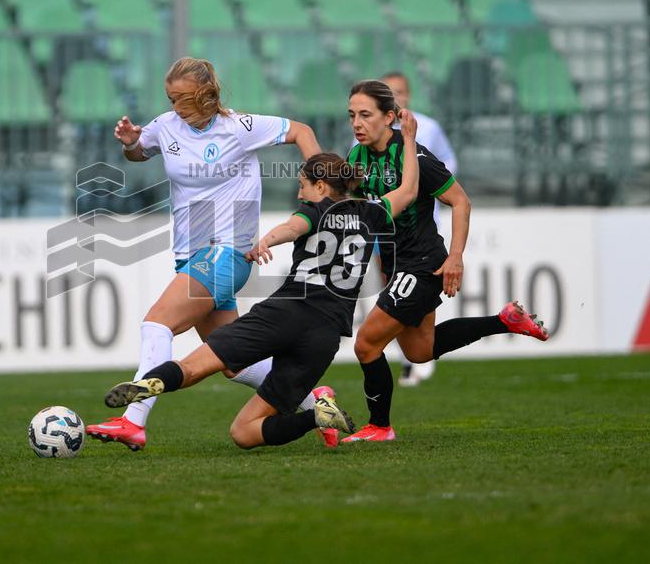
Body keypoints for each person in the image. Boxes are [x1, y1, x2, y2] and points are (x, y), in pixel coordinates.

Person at [101, 133, 420, 450]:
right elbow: (408, 190)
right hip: (325, 337)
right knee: (243, 432)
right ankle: (316, 415)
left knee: (197, 366)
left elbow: (293, 227)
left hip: (286, 313)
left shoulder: (316, 210)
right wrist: (408, 139)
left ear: (321, 188)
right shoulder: (372, 212)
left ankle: (154, 384)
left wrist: (266, 240)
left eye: (303, 185)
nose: (300, 194)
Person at [85, 57, 321, 451]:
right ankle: (318, 401)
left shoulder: (240, 128)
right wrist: (130, 144)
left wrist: (321, 178)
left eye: (182, 99)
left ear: (205, 96)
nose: (175, 107)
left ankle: (132, 421)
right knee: (234, 363)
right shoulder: (165, 125)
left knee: (157, 324)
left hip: (228, 252)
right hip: (192, 256)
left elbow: (301, 131)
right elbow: (140, 153)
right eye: (170, 98)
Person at [341, 80, 549, 444]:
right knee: (420, 352)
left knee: (366, 344)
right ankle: (505, 320)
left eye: (365, 115)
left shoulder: (415, 157)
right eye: (352, 115)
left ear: (390, 117)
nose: (357, 123)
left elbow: (460, 201)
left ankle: (380, 426)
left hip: (423, 263)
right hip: (395, 263)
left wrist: (456, 257)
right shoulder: (356, 159)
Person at [382, 71, 458, 387]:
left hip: (422, 226)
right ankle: (412, 357)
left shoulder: (427, 128)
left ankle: (415, 360)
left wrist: (427, 185)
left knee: (413, 293)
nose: (395, 97)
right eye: (388, 93)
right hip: (385, 230)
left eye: (399, 91)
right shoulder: (369, 131)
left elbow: (448, 163)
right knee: (391, 290)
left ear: (409, 95)